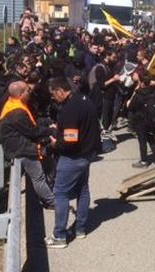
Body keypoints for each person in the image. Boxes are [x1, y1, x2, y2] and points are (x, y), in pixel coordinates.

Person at [46, 77, 101, 249]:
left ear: (60, 91)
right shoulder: (85, 100)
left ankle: (60, 235)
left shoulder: (70, 108)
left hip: (73, 157)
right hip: (87, 154)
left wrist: (56, 143)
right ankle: (80, 229)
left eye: (53, 95)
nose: (53, 98)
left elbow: (70, 139)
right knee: (83, 190)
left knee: (60, 193)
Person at [0, 81, 55, 209]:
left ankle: (4, 195)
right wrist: (51, 130)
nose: (30, 93)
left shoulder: (13, 104)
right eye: (28, 91)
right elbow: (33, 131)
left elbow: (32, 122)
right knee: (38, 177)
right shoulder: (17, 112)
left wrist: (47, 123)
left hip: (17, 147)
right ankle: (51, 202)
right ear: (21, 94)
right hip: (22, 150)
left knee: (41, 169)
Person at [127, 72, 155, 168]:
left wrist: (128, 103)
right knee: (151, 138)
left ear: (142, 83)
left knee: (142, 141)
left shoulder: (139, 94)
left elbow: (131, 108)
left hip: (141, 121)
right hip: (153, 121)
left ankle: (144, 161)